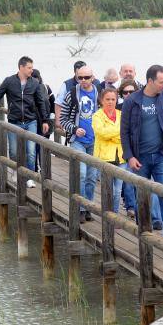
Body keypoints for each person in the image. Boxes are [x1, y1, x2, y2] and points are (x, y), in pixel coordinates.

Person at [120, 64, 163, 247]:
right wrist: (129, 156)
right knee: (143, 194)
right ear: (150, 81)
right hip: (140, 157)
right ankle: (144, 229)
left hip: (162, 156)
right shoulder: (132, 101)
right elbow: (124, 131)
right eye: (161, 82)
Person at [0, 56, 49, 188]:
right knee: (13, 151)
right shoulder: (9, 81)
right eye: (29, 67)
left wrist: (45, 120)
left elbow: (40, 102)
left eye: (32, 67)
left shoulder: (34, 83)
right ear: (21, 67)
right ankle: (15, 172)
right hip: (14, 121)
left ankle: (29, 177)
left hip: (31, 121)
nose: (31, 70)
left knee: (31, 151)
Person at [58, 65, 101, 222]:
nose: (83, 81)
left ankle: (88, 206)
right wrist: (74, 129)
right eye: (80, 78)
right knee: (81, 174)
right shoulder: (72, 95)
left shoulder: (99, 94)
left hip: (94, 141)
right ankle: (80, 208)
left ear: (92, 77)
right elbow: (63, 119)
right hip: (77, 141)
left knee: (91, 177)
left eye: (86, 77)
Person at [93, 88, 127, 213]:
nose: (110, 102)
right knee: (108, 189)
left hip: (121, 156)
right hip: (104, 157)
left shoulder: (121, 114)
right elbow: (101, 133)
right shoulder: (97, 116)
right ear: (102, 100)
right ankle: (107, 214)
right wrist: (118, 133)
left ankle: (115, 215)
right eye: (107, 99)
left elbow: (126, 133)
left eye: (113, 99)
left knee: (118, 190)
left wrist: (113, 134)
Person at [116, 80, 139, 216]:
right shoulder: (118, 108)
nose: (129, 94)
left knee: (139, 179)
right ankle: (130, 207)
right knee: (128, 179)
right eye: (125, 92)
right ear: (121, 94)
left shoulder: (140, 106)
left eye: (132, 92)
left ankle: (139, 207)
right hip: (123, 146)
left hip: (137, 147)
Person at [54, 61, 92, 142]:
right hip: (72, 121)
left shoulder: (94, 86)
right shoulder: (67, 84)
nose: (83, 79)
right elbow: (58, 103)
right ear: (75, 72)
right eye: (80, 76)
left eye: (86, 76)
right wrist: (58, 120)